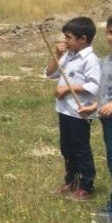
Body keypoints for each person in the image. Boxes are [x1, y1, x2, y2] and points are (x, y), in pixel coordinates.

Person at [78, 12, 112, 223]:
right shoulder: (107, 60)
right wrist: (94, 106)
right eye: (111, 32)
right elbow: (108, 93)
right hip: (109, 120)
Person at [45, 16, 100, 201]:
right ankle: (71, 180)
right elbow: (49, 73)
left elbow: (94, 86)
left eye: (68, 37)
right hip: (64, 110)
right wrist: (57, 54)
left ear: (82, 38)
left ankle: (86, 186)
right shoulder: (68, 55)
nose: (64, 41)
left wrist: (68, 88)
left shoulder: (91, 60)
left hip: (79, 111)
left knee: (81, 149)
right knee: (66, 148)